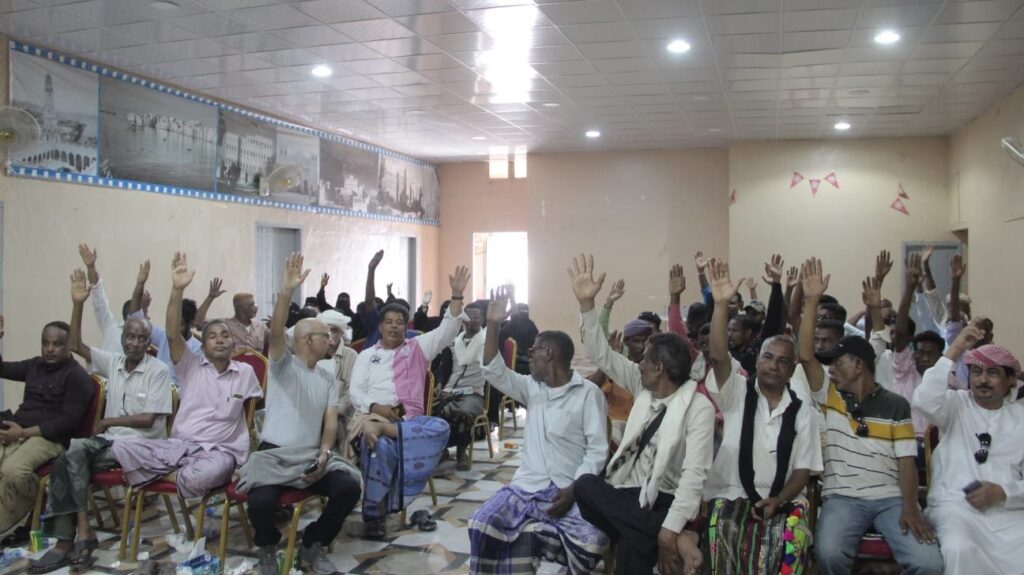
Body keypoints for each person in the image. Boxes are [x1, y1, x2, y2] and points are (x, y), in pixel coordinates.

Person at [796, 258, 943, 575]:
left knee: (929, 563)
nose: (831, 369)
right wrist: (810, 301)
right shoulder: (830, 396)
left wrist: (910, 507)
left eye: (838, 362)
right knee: (829, 554)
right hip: (843, 498)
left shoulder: (895, 405)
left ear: (859, 365)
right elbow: (806, 356)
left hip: (891, 498)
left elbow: (907, 463)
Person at [568, 255, 712, 575]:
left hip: (667, 498)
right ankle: (682, 540)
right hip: (629, 492)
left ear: (659, 368)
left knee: (632, 545)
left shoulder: (697, 407)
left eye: (645, 359)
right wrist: (587, 306)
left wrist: (670, 527)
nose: (638, 363)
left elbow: (693, 478)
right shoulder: (642, 385)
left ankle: (658, 533)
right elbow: (602, 354)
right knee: (585, 485)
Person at [28, 270, 173, 573]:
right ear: (122, 338)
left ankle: (76, 537)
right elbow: (75, 344)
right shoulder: (114, 361)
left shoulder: (158, 370)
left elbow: (148, 419)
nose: (134, 343)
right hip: (110, 443)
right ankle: (77, 535)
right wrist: (77, 303)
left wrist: (108, 422)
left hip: (143, 446)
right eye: (130, 337)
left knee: (72, 454)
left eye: (141, 338)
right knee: (65, 460)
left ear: (149, 342)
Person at [468, 285, 609, 575]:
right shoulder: (531, 388)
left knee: (591, 543)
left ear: (549, 353)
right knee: (481, 524)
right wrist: (493, 324)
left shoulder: (588, 393)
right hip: (526, 487)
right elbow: (493, 371)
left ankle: (531, 545)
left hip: (567, 489)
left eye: (533, 351)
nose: (528, 356)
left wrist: (574, 489)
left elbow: (597, 450)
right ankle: (528, 550)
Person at [236, 253, 361, 575]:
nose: (332, 339)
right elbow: (277, 332)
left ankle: (313, 542)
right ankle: (268, 546)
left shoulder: (326, 376)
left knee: (348, 487)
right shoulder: (283, 367)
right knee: (260, 503)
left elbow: (330, 422)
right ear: (307, 340)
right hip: (274, 455)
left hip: (310, 456)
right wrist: (286, 291)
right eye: (326, 335)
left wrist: (324, 454)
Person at [702, 258, 821, 574]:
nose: (774, 365)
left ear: (792, 371)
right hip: (731, 495)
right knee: (723, 529)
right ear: (757, 361)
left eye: (783, 361)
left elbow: (803, 470)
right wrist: (720, 306)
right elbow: (718, 357)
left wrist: (779, 499)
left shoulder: (802, 411)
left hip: (784, 500)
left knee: (791, 540)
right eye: (768, 357)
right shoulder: (737, 391)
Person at [110, 253, 263, 501]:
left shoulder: (245, 372)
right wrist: (177, 289)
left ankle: (158, 475)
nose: (220, 340)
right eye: (212, 336)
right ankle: (174, 473)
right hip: (179, 446)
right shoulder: (190, 366)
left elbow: (257, 406)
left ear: (232, 342)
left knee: (206, 474)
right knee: (121, 446)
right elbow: (172, 335)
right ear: (202, 345)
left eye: (225, 336)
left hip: (219, 452)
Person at [347, 265, 470, 538]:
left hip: (408, 421)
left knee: (441, 427)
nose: (394, 326)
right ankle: (375, 516)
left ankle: (388, 434)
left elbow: (448, 330)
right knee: (380, 446)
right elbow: (355, 392)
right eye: (389, 321)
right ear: (380, 327)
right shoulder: (367, 356)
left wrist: (457, 295)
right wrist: (376, 408)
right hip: (371, 418)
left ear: (407, 326)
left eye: (400, 322)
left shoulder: (418, 348)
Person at [913, 322, 1024, 574]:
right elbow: (923, 400)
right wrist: (955, 349)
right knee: (958, 549)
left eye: (993, 373)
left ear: (1010, 380)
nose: (983, 380)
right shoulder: (955, 404)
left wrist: (1003, 492)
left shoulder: (1021, 417)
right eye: (976, 372)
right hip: (957, 508)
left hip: (1009, 512)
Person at [0, 317, 95, 540]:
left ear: (68, 346)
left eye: (57, 344)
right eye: (45, 343)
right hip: (18, 430)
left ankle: (26, 515)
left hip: (50, 439)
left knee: (13, 471)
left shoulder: (77, 377)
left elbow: (67, 423)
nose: (49, 349)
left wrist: (23, 433)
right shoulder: (35, 365)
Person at [434, 302, 486, 471]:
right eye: (470, 316)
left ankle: (461, 451)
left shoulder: (486, 342)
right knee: (429, 411)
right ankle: (440, 449)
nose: (473, 319)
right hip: (449, 390)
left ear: (483, 319)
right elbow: (444, 368)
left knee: (463, 412)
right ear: (463, 319)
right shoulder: (453, 343)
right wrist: (440, 384)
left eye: (477, 316)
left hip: (473, 393)